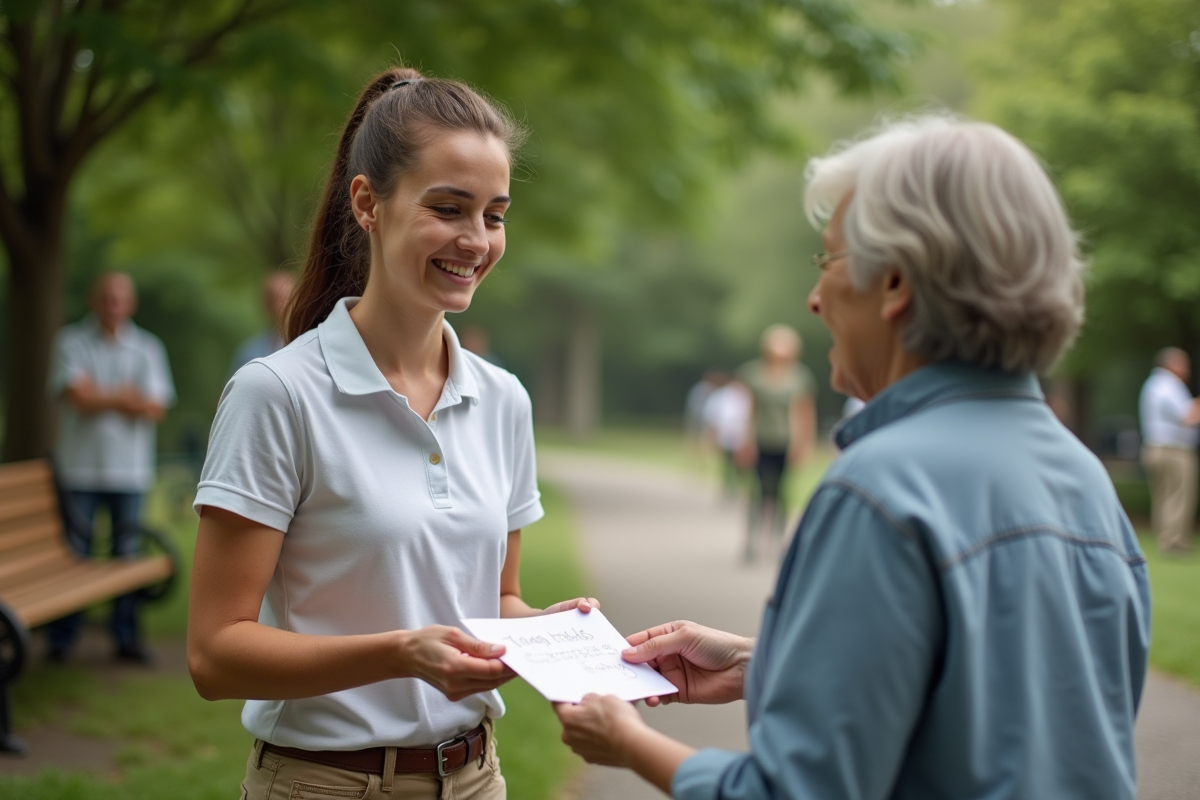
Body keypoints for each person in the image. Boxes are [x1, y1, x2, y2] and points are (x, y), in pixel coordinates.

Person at [555, 115, 1150, 800]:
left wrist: (630, 742)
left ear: (894, 282)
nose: (813, 299)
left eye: (828, 261)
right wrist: (765, 662)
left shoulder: (880, 491)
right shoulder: (1083, 479)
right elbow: (1013, 710)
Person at [187, 67, 598, 800]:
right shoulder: (277, 395)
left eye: (495, 215)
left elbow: (496, 599)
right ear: (368, 204)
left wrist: (548, 631)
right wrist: (402, 654)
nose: (476, 240)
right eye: (449, 208)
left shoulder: (503, 399)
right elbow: (216, 655)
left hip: (476, 779)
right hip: (325, 784)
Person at [46, 271, 176, 664]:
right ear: (93, 299)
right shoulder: (69, 341)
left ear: (130, 303)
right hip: (78, 471)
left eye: (119, 298)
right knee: (74, 555)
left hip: (129, 473)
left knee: (127, 554)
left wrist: (98, 395)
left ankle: (126, 639)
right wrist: (126, 397)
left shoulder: (148, 348)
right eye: (106, 297)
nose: (112, 304)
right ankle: (62, 640)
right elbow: (75, 398)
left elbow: (155, 408)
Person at [734, 325, 816, 561]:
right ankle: (751, 542)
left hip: (786, 442)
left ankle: (780, 542)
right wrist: (744, 440)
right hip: (760, 440)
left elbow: (805, 413)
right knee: (757, 492)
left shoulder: (800, 377)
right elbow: (746, 410)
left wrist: (803, 444)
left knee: (782, 493)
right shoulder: (754, 374)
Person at [1139, 347, 1200, 554]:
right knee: (1179, 495)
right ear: (1171, 364)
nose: (1187, 369)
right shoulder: (1169, 385)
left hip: (1155, 447)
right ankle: (1172, 541)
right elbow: (1187, 416)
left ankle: (1165, 537)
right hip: (1173, 449)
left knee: (1164, 496)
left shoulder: (1153, 384)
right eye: (1183, 364)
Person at [229, 270, 295, 375]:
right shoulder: (249, 353)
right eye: (274, 300)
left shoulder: (308, 347)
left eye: (286, 298)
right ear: (265, 305)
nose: (281, 307)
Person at [700, 375, 751, 499]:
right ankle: (728, 486)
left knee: (741, 464)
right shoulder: (721, 397)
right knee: (727, 463)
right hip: (725, 435)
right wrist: (712, 434)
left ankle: (738, 485)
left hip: (742, 436)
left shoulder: (747, 397)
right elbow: (713, 416)